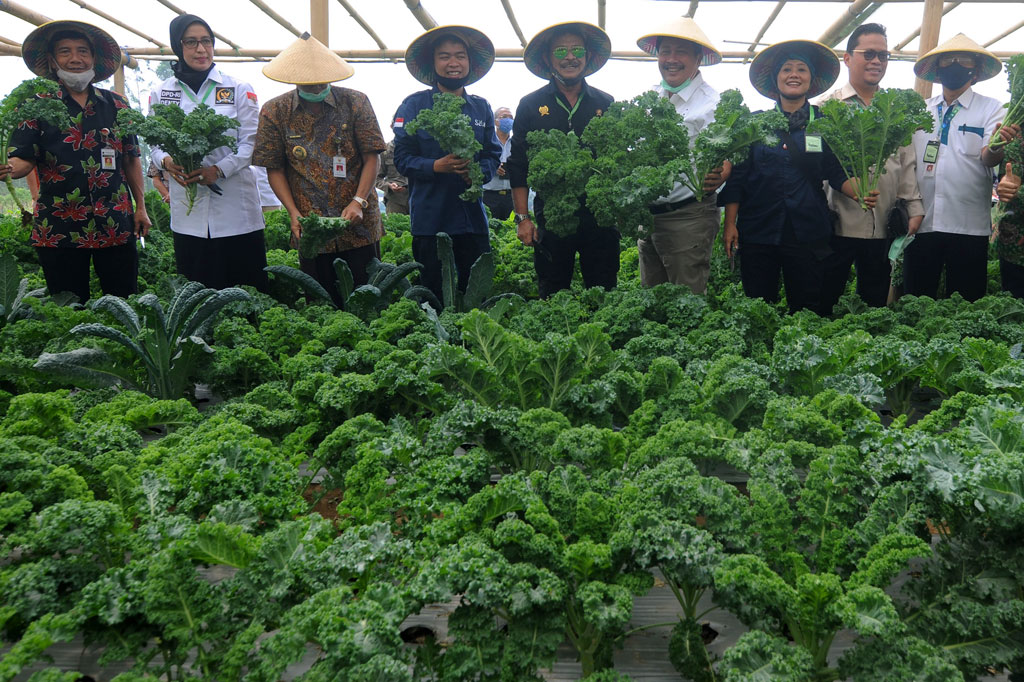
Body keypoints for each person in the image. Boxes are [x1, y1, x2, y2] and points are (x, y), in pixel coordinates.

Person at [720, 40, 874, 315]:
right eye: (786, 69)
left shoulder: (825, 123)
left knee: (806, 307)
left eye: (801, 69)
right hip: (758, 229)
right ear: (776, 79)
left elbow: (836, 172)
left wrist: (859, 192)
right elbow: (738, 179)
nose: (794, 74)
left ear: (811, 80)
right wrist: (730, 224)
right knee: (757, 306)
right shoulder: (755, 123)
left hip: (807, 231)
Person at [1, 20, 150, 303]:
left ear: (94, 58)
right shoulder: (36, 105)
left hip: (115, 221)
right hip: (59, 226)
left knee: (123, 302)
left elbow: (130, 159)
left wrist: (140, 207)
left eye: (83, 51)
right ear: (52, 60)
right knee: (67, 306)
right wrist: (8, 170)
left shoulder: (116, 104)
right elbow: (22, 161)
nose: (75, 59)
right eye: (65, 51)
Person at [254, 32, 385, 299]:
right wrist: (292, 212)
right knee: (320, 300)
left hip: (359, 223)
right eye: (306, 80)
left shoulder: (356, 102)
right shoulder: (274, 111)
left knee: (367, 296)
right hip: (310, 226)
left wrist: (358, 201)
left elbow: (373, 157)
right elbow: (274, 168)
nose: (314, 85)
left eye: (319, 78)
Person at [149, 14, 267, 292]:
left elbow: (251, 143)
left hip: (237, 213)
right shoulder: (161, 92)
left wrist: (219, 170)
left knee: (246, 292)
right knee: (198, 294)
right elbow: (154, 143)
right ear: (178, 47)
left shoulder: (238, 89)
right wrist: (166, 162)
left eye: (207, 42)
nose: (201, 49)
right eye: (191, 42)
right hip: (188, 215)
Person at [906, 34, 1022, 302]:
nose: (955, 65)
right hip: (923, 222)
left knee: (966, 302)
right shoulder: (921, 110)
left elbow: (987, 158)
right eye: (948, 60)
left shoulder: (992, 109)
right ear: (938, 68)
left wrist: (996, 145)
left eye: (964, 60)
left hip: (968, 225)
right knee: (915, 299)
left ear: (976, 70)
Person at [507, 22, 616, 298]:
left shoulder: (605, 102)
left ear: (588, 56)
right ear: (548, 58)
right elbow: (518, 165)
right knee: (553, 291)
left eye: (577, 49)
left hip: (599, 218)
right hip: (553, 217)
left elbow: (618, 161)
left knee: (604, 290)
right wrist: (523, 218)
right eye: (561, 51)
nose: (570, 57)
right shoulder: (530, 105)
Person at [819, 23, 925, 310]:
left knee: (875, 302)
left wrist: (913, 207)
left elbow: (906, 165)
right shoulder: (826, 108)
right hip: (837, 224)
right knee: (826, 300)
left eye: (883, 55)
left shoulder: (895, 110)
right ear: (848, 57)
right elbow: (815, 169)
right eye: (868, 54)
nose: (876, 61)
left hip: (882, 225)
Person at [393, 26, 501, 302]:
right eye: (444, 56)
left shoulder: (481, 107)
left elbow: (491, 153)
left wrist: (478, 175)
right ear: (433, 63)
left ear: (469, 63)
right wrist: (435, 166)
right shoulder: (414, 105)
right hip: (431, 219)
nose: (453, 63)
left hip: (472, 221)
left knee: (474, 294)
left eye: (460, 56)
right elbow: (402, 159)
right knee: (433, 293)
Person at [634, 17, 728, 293]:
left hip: (688, 217)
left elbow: (729, 157)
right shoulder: (649, 98)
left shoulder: (712, 104)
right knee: (652, 298)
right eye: (665, 51)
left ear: (698, 59)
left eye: (681, 52)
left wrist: (724, 170)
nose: (671, 59)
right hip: (648, 218)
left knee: (687, 301)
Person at [994, 143, 1024, 297]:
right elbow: (1011, 175)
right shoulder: (1017, 135)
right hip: (1015, 249)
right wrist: (1008, 186)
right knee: (1015, 311)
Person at [481, 106, 514, 220]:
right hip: (490, 196)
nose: (508, 120)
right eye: (504, 117)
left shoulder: (517, 143)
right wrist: (492, 166)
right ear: (495, 121)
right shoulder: (487, 141)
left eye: (511, 117)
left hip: (512, 196)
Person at [376, 137, 409, 215]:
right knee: (394, 225)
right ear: (392, 126)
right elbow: (376, 178)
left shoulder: (416, 148)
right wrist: (388, 186)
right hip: (395, 201)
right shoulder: (385, 151)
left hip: (416, 198)